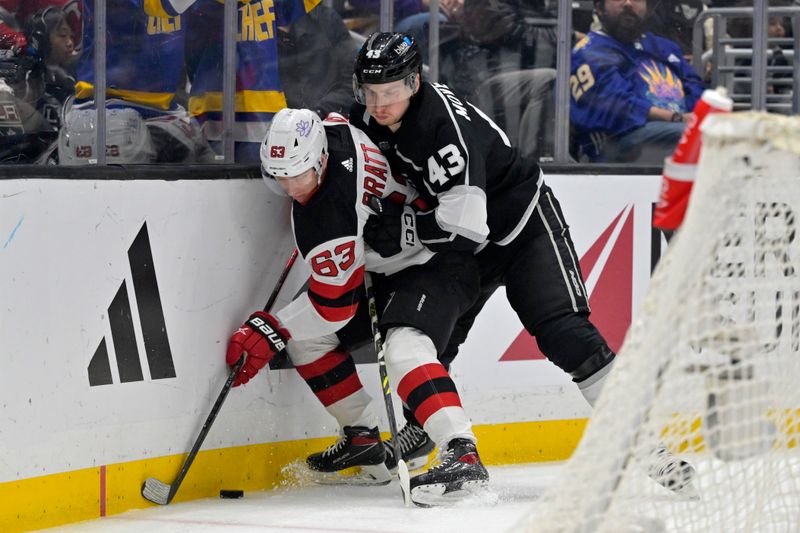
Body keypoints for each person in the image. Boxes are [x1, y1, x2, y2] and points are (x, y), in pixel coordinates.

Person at [349, 31, 697, 496]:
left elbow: (466, 224)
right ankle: (430, 435)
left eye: (389, 92)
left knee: (564, 332)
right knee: (424, 336)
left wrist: (406, 230)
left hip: (519, 226)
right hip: (457, 240)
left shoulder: (445, 131)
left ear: (413, 83)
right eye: (369, 93)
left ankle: (647, 443)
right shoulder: (370, 116)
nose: (378, 104)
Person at [225, 108, 490, 506]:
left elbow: (335, 309)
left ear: (320, 160)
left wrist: (272, 328)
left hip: (437, 261)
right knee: (308, 343)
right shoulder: (332, 131)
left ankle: (462, 452)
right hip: (385, 265)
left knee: (402, 347)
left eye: (298, 174)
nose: (291, 186)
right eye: (280, 176)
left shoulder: (328, 214)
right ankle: (362, 439)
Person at [570, 0, 705, 163]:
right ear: (599, 8)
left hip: (672, 131)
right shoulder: (589, 51)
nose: (628, 3)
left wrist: (699, 116)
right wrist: (678, 118)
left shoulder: (663, 46)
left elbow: (695, 87)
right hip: (621, 141)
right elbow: (619, 107)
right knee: (703, 136)